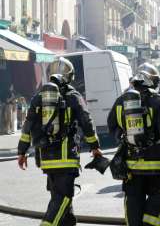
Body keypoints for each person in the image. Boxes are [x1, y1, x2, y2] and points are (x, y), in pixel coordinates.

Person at [17, 57, 102, 226]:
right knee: (63, 198)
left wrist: (22, 152)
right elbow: (86, 121)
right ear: (69, 76)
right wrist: (95, 146)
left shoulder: (38, 97)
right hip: (66, 158)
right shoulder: (73, 96)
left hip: (46, 159)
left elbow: (28, 126)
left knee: (60, 201)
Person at [107, 63, 160, 226]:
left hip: (132, 166)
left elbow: (112, 126)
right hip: (155, 164)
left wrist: (125, 139)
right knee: (159, 195)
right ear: (152, 82)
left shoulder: (121, 100)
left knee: (133, 200)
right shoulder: (157, 100)